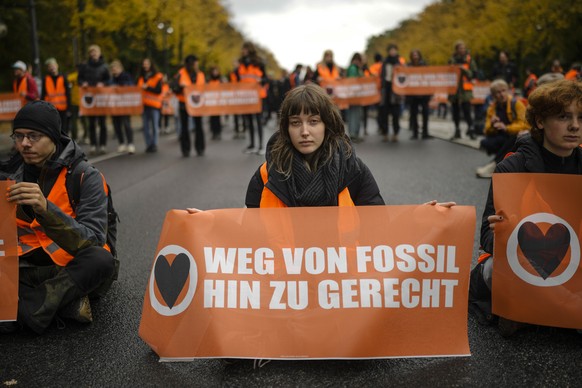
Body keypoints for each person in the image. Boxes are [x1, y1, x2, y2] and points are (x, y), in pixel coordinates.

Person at [469, 79, 582, 337]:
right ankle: (563, 308)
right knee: (494, 270)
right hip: (521, 263)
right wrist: (501, 230)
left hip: (572, 263)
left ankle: (535, 311)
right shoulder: (512, 168)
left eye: (580, 117)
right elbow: (486, 238)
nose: (575, 125)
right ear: (540, 121)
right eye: (564, 117)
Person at [0, 101, 116, 334]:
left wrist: (45, 209)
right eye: (19, 136)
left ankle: (23, 311)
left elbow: (92, 241)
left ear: (53, 137)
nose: (24, 143)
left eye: (33, 136)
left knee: (101, 260)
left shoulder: (85, 176)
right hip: (24, 265)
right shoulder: (7, 173)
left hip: (68, 267)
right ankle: (59, 304)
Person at [245, 83, 384, 208]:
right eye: (295, 122)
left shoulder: (353, 169)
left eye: (313, 121)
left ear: (327, 124)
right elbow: (251, 230)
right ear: (286, 128)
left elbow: (376, 224)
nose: (304, 132)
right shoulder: (266, 174)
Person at [475, 79, 529, 178]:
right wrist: (492, 124)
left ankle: (495, 165)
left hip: (514, 135)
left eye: (503, 91)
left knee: (513, 138)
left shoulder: (516, 103)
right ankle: (503, 163)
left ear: (508, 91)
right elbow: (486, 130)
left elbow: (526, 124)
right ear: (493, 95)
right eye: (498, 92)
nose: (501, 94)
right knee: (485, 142)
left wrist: (506, 127)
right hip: (503, 136)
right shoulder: (492, 108)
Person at [78, 44, 111, 155]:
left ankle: (102, 145)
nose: (94, 54)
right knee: (91, 123)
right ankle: (93, 144)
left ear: (99, 53)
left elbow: (109, 80)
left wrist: (104, 83)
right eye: (92, 52)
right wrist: (83, 83)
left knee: (102, 123)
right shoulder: (85, 66)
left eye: (95, 52)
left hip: (101, 98)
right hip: (89, 98)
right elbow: (79, 79)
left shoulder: (105, 67)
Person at [236, 42, 267, 155]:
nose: (243, 51)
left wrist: (261, 81)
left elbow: (265, 79)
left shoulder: (259, 63)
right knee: (248, 120)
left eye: (244, 49)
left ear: (249, 49)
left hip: (258, 96)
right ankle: (252, 145)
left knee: (258, 121)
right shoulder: (241, 64)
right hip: (246, 97)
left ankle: (261, 146)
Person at [172, 54, 205, 157]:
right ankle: (185, 149)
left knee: (198, 126)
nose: (196, 65)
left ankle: (200, 148)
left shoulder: (200, 74)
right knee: (184, 127)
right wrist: (181, 87)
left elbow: (205, 88)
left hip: (197, 103)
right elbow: (173, 87)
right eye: (195, 63)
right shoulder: (181, 74)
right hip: (184, 103)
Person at [448, 40, 477, 140]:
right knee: (455, 111)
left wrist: (464, 70)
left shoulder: (469, 60)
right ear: (456, 50)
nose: (462, 50)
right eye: (460, 48)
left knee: (467, 111)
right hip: (454, 89)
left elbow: (473, 74)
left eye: (463, 48)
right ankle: (457, 130)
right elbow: (447, 73)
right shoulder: (452, 60)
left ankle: (471, 130)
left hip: (465, 90)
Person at [378, 43, 405, 143]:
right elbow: (381, 75)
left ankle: (395, 133)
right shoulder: (385, 62)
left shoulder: (400, 62)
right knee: (384, 113)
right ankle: (385, 133)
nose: (392, 52)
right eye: (391, 50)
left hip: (396, 90)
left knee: (396, 114)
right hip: (387, 89)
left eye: (394, 50)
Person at [137, 58, 163, 153]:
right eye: (144, 64)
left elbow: (159, 90)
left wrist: (148, 87)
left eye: (147, 64)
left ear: (151, 65)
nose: (145, 65)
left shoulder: (158, 76)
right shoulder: (141, 77)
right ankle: (148, 144)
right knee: (146, 127)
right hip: (144, 105)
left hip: (154, 105)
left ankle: (154, 144)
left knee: (154, 126)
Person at [109, 60, 135, 154]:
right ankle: (121, 143)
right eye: (112, 69)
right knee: (117, 125)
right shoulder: (111, 79)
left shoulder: (126, 76)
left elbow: (131, 86)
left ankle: (130, 144)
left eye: (115, 68)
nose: (114, 70)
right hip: (114, 106)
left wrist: (121, 86)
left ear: (120, 68)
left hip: (124, 105)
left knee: (126, 124)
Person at [407, 49, 432, 140]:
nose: (415, 56)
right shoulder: (408, 66)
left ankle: (425, 132)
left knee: (425, 113)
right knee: (414, 114)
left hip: (424, 94)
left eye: (416, 54)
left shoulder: (425, 65)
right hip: (412, 95)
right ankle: (415, 133)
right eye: (413, 55)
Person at [41, 58, 70, 134]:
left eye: (53, 65)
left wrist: (69, 108)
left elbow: (68, 93)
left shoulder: (63, 77)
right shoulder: (45, 79)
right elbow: (43, 94)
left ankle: (64, 144)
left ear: (57, 66)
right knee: (52, 128)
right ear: (48, 69)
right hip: (50, 108)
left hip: (63, 108)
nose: (52, 67)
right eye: (50, 66)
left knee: (64, 128)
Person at [346, 52, 364, 142]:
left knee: (356, 114)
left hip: (356, 95)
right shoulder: (353, 68)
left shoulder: (355, 68)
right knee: (354, 114)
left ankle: (355, 133)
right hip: (354, 95)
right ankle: (353, 134)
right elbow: (352, 80)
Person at [208, 66, 223, 140]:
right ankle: (214, 133)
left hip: (218, 102)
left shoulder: (220, 80)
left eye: (216, 71)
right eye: (214, 71)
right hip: (211, 102)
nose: (215, 73)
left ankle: (218, 132)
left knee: (217, 118)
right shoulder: (209, 81)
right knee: (212, 119)